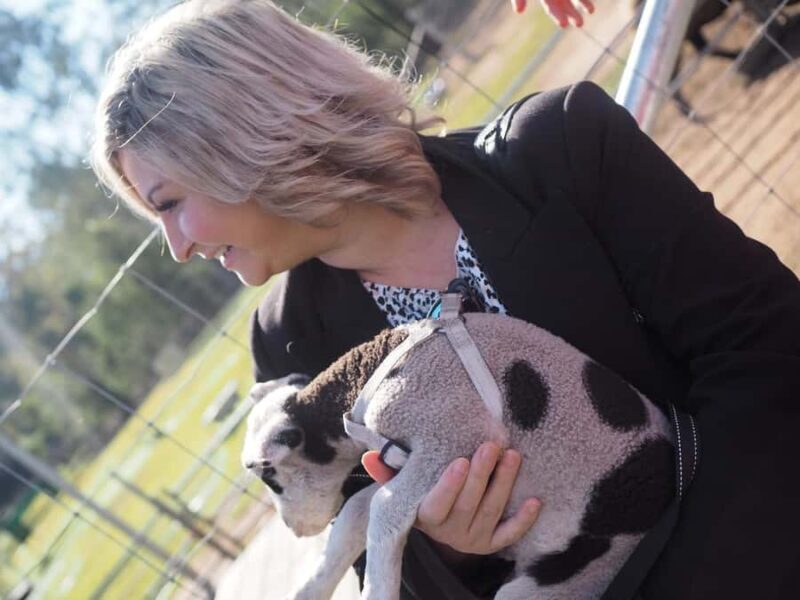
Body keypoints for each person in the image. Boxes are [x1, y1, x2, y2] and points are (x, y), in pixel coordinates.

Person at [91, 1, 800, 598]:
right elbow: (390, 573)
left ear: (243, 139)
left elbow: (767, 350)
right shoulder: (291, 350)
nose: (177, 246)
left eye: (171, 203)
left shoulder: (564, 151)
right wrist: (452, 547)